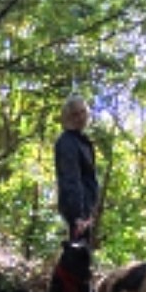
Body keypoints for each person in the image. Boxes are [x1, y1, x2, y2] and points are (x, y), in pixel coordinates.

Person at [54, 94, 99, 245]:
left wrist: (89, 211)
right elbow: (70, 179)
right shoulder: (67, 142)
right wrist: (77, 216)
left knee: (83, 252)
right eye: (75, 114)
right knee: (77, 253)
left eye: (82, 112)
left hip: (85, 209)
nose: (80, 117)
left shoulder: (82, 141)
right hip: (78, 212)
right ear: (67, 117)